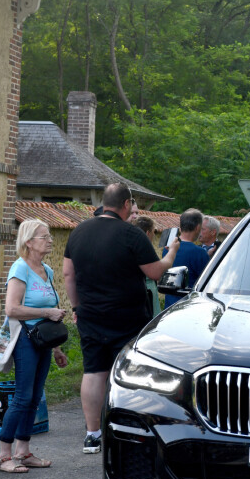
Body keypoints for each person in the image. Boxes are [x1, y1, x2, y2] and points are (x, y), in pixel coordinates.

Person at [63, 182, 180, 454]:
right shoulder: (131, 234)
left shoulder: (78, 231)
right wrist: (171, 254)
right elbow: (155, 273)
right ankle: (127, 432)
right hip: (127, 315)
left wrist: (77, 307)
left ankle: (92, 434)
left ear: (104, 202)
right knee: (128, 372)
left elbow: (68, 273)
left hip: (90, 314)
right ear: (126, 204)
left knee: (93, 371)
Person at [0, 220, 68, 473]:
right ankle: (4, 457)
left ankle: (23, 452)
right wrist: (47, 312)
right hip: (25, 340)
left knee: (35, 397)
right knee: (23, 396)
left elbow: (50, 313)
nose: (50, 240)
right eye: (44, 236)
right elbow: (12, 309)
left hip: (43, 341)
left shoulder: (47, 270)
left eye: (49, 235)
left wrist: (57, 348)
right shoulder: (20, 268)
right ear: (28, 242)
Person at [162, 209, 210, 308]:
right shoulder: (200, 252)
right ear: (197, 227)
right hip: (189, 307)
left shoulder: (168, 249)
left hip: (169, 307)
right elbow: (208, 282)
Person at [134, 215, 162, 318]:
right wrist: (171, 252)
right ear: (147, 233)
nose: (154, 236)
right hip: (148, 293)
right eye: (153, 232)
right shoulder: (145, 250)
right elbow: (158, 272)